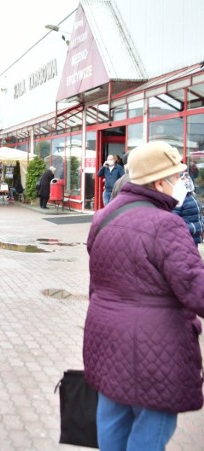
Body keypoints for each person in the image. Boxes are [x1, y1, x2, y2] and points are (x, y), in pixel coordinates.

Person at [83, 141, 204, 449]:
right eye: (177, 177)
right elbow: (196, 289)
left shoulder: (103, 217)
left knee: (111, 422)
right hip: (155, 352)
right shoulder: (166, 225)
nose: (181, 184)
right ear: (159, 181)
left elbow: (97, 282)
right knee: (149, 432)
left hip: (105, 340)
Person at [172, 173, 203, 246]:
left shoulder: (180, 200)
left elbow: (173, 219)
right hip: (193, 236)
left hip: (185, 237)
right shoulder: (192, 197)